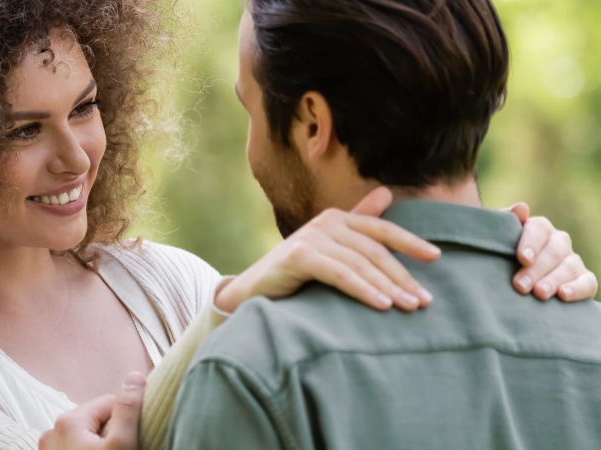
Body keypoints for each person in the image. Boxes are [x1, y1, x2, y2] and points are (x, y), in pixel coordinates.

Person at [0, 0, 594, 449]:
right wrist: (234, 304)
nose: (76, 156)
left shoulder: (162, 277)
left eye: (86, 108)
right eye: (23, 129)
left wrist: (491, 263)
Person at [164, 1, 601, 449]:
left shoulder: (257, 371)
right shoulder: (591, 341)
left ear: (313, 123)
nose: (252, 148)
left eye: (249, 111)